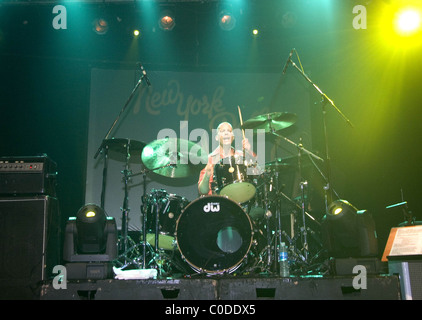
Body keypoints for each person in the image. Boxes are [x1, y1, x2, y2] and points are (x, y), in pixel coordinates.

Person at [198, 122, 255, 196]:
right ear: (217, 137)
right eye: (222, 131)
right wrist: (207, 175)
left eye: (229, 131)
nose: (226, 133)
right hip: (220, 202)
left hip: (241, 199)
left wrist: (249, 152)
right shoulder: (210, 159)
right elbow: (202, 191)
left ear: (233, 137)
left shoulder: (241, 155)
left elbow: (258, 174)